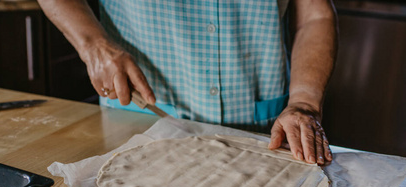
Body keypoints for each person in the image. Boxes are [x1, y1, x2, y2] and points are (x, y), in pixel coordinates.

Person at [38, 0, 337, 165]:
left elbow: (314, 14)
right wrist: (93, 45)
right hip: (139, 119)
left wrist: (304, 102)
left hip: (261, 130)